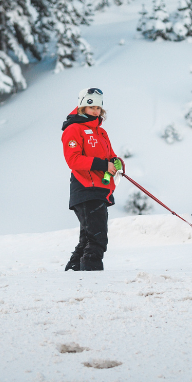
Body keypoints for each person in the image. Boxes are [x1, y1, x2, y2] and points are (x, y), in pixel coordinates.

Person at [62, 87, 123, 271]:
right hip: (85, 189)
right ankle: (92, 277)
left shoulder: (101, 133)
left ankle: (74, 273)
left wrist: (116, 163)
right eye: (91, 107)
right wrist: (104, 165)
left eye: (98, 108)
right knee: (97, 238)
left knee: (89, 238)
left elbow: (111, 156)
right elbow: (73, 160)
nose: (95, 111)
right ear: (82, 107)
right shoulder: (74, 129)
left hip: (100, 189)